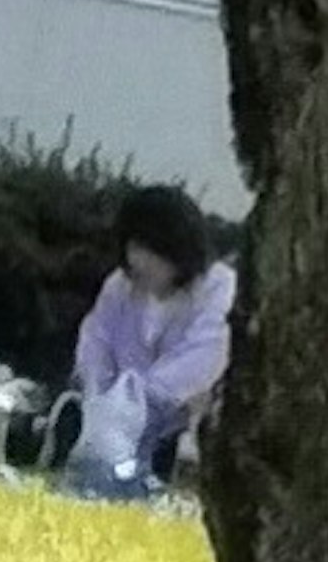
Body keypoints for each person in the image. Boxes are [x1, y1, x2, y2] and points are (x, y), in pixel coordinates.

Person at [53, 188, 233, 498]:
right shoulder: (120, 287)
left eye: (151, 249)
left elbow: (205, 355)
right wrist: (100, 393)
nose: (139, 261)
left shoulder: (218, 286)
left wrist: (142, 398)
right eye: (133, 247)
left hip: (182, 419)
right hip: (114, 419)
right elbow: (96, 340)